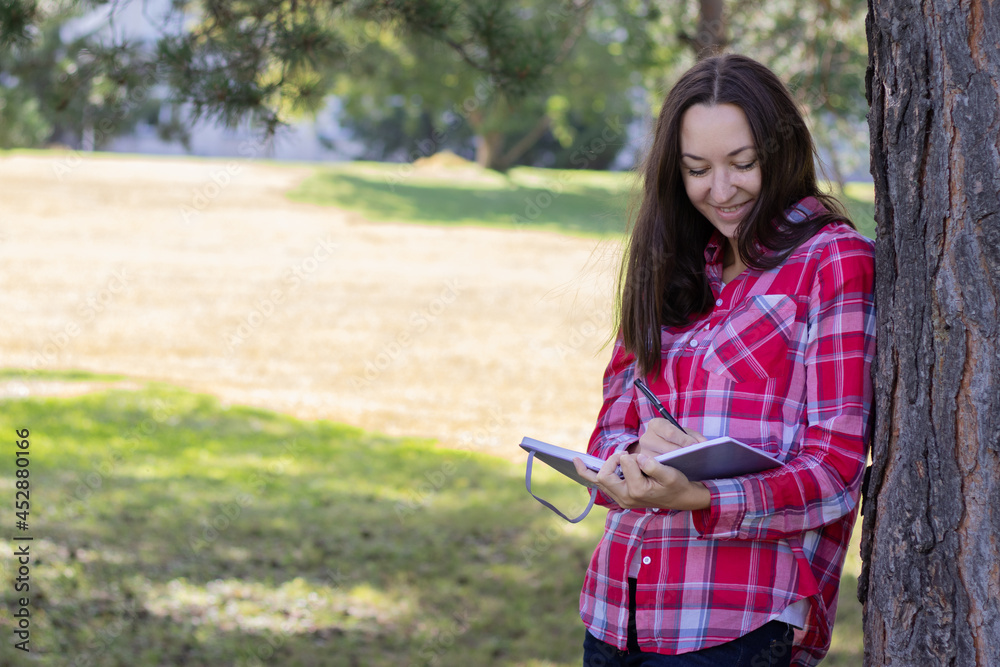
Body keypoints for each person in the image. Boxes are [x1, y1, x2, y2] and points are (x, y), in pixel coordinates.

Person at [571, 54, 875, 666]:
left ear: (781, 152)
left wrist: (703, 497)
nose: (721, 189)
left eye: (743, 163)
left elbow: (836, 469)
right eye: (696, 169)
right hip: (616, 609)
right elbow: (611, 426)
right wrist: (623, 466)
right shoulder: (673, 262)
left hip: (736, 622)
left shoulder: (833, 261)